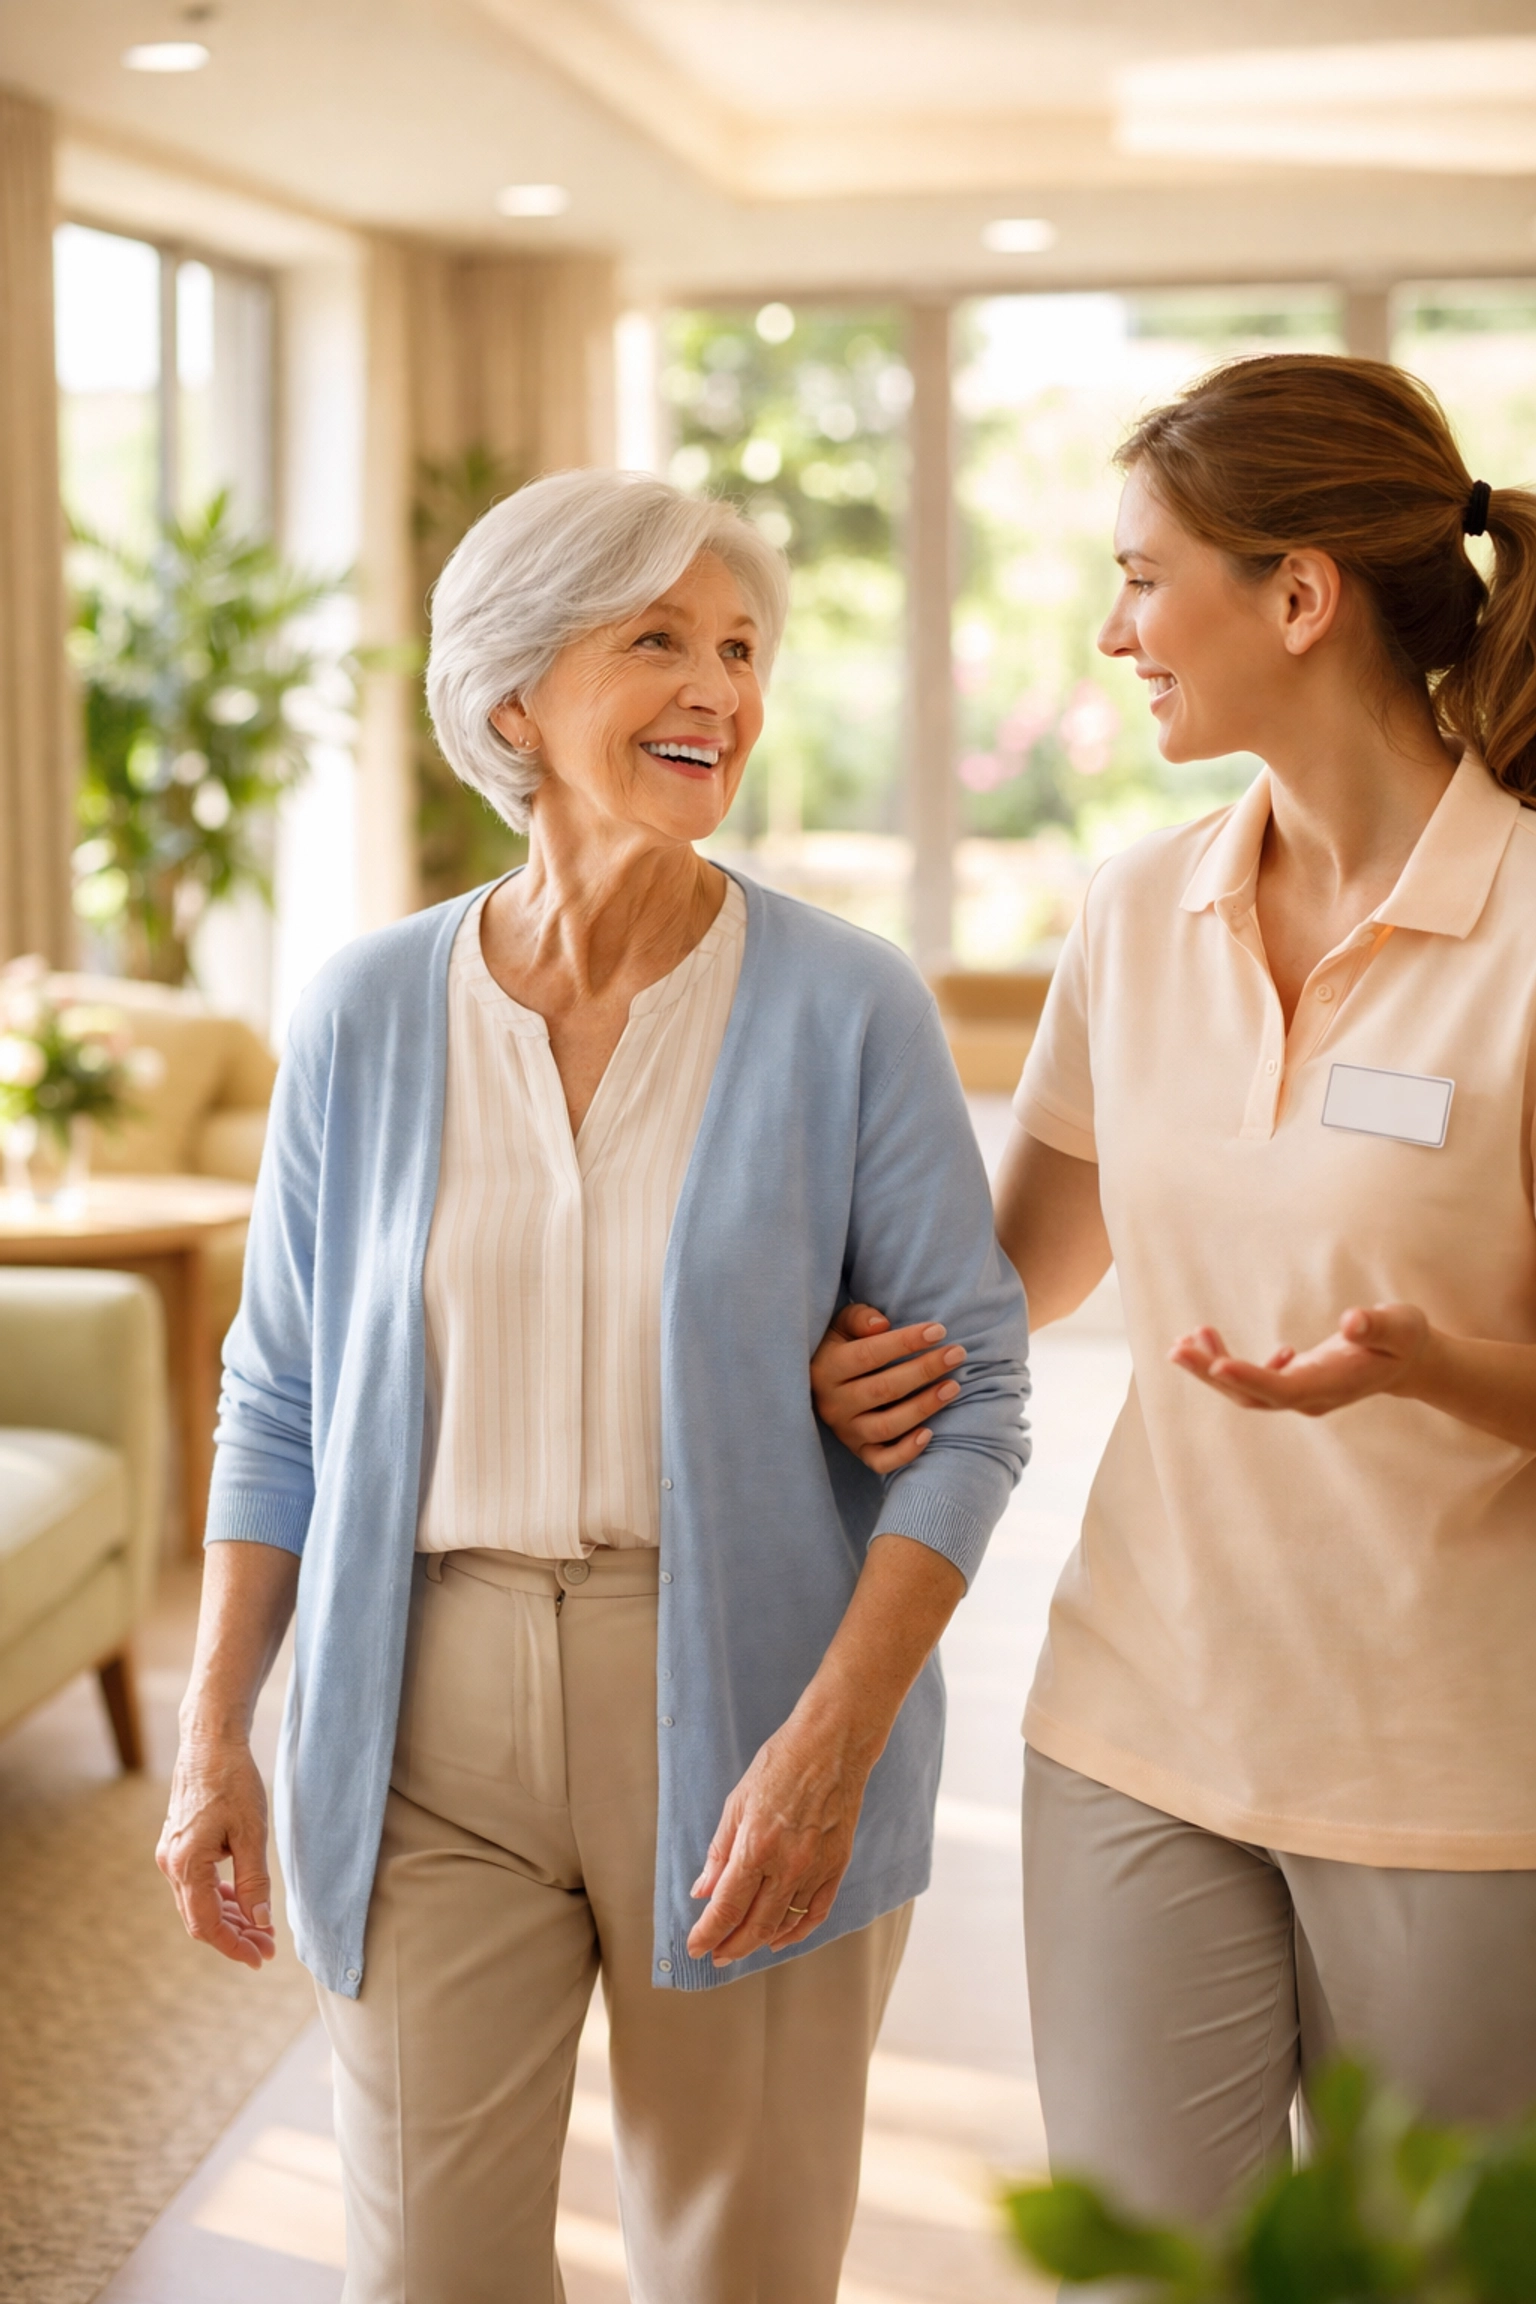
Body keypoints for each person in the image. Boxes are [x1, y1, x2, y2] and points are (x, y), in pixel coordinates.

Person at [155, 469, 1028, 2304]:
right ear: (510, 703)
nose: (719, 686)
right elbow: (283, 1394)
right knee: (428, 2272)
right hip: (423, 1709)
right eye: (657, 642)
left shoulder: (845, 1002)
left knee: (740, 2267)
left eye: (738, 646)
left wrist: (831, 1747)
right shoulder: (369, 1010)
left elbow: (972, 1398)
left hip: (752, 1696)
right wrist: (217, 1722)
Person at [811, 355, 1536, 2221]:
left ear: (1300, 597)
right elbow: (1016, 1270)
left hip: (1462, 1771)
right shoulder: (1142, 910)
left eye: (1147, 575)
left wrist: (1431, 1364)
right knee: (1142, 2262)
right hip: (1141, 1716)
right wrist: (814, 1309)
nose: (1116, 628)